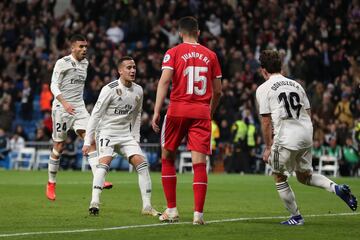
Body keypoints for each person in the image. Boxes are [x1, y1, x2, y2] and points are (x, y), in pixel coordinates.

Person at [256, 50, 357, 226]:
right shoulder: (297, 85)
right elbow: (308, 113)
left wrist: (267, 147)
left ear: (263, 70)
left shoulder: (263, 89)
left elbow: (266, 122)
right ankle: (336, 188)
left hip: (286, 137)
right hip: (305, 133)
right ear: (281, 67)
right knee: (304, 176)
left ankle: (296, 217)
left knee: (279, 176)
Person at [151, 16, 222, 225]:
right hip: (201, 113)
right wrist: (209, 112)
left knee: (167, 157)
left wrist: (156, 111)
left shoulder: (173, 52)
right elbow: (218, 91)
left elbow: (164, 81)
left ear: (180, 33)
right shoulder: (211, 55)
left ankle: (172, 210)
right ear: (198, 32)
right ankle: (198, 215)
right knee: (199, 164)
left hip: (177, 110)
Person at [83, 56, 160, 217]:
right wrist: (87, 140)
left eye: (134, 67)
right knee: (104, 164)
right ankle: (94, 202)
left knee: (142, 164)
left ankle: (147, 206)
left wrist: (135, 138)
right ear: (120, 71)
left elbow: (137, 115)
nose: (132, 70)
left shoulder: (138, 90)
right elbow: (96, 115)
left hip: (126, 135)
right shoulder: (109, 89)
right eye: (128, 68)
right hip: (107, 132)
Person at [47, 34, 112, 201]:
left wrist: (74, 104)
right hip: (62, 108)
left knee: (90, 139)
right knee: (59, 146)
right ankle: (51, 183)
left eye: (86, 47)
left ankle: (99, 178)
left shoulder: (85, 63)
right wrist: (64, 102)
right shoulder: (62, 63)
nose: (84, 50)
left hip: (79, 108)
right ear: (72, 48)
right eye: (81, 47)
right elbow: (53, 85)